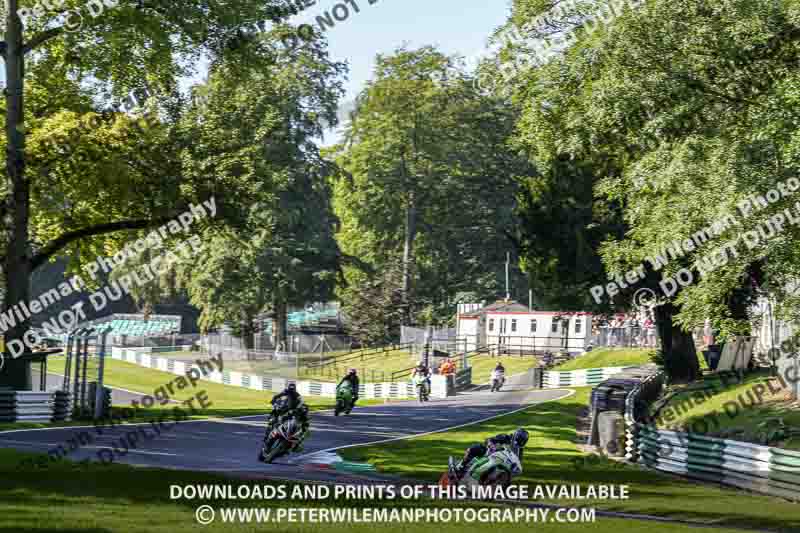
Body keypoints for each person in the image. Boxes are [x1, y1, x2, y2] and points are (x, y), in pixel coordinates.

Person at [454, 428, 529, 481]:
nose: (519, 443)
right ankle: (461, 466)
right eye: (519, 440)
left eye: (522, 441)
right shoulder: (505, 437)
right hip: (491, 454)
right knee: (475, 448)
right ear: (515, 436)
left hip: (502, 462)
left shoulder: (519, 450)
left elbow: (518, 462)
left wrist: (516, 468)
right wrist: (492, 445)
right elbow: (490, 440)